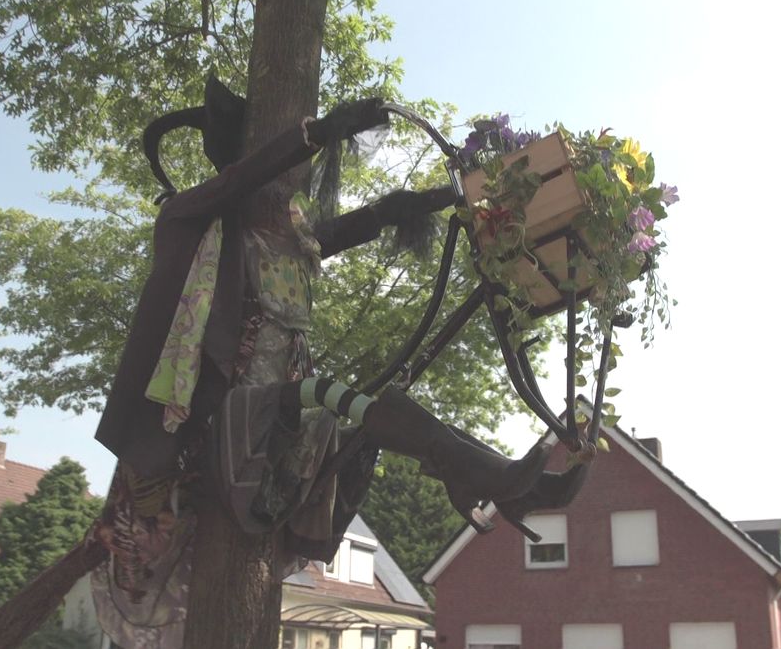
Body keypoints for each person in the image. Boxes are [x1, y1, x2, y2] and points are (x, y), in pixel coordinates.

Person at [90, 78, 551, 646]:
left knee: (369, 414)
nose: (291, 186)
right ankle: (478, 468)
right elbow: (237, 182)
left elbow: (347, 228)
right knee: (339, 399)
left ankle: (495, 473)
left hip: (275, 425)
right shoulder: (190, 220)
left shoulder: (290, 241)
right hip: (207, 426)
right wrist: (316, 134)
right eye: (279, 171)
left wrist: (416, 204)